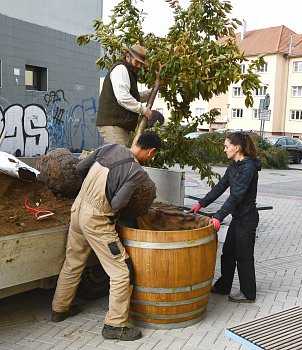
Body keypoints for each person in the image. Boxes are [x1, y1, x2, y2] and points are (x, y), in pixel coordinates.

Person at [51, 131, 162, 341]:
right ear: (151, 151)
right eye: (152, 156)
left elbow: (80, 167)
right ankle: (115, 325)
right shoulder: (135, 170)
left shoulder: (109, 147)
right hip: (97, 219)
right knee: (122, 271)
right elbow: (118, 204)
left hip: (77, 210)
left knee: (73, 262)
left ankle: (60, 309)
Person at [189, 132, 261, 303]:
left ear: (237, 148)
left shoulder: (248, 168)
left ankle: (248, 293)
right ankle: (223, 286)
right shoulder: (234, 166)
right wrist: (201, 204)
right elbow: (220, 187)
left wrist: (218, 216)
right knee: (228, 254)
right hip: (238, 218)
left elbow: (235, 196)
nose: (224, 149)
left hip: (247, 218)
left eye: (226, 146)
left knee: (243, 256)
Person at [96, 44, 153, 146]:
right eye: (137, 62)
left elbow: (134, 97)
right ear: (128, 57)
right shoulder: (121, 69)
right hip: (113, 125)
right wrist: (144, 110)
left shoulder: (128, 72)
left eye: (141, 64)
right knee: (120, 158)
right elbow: (123, 98)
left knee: (122, 157)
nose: (139, 66)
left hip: (119, 125)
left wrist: (151, 92)